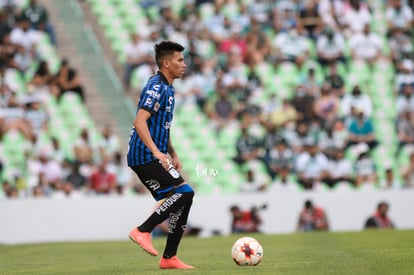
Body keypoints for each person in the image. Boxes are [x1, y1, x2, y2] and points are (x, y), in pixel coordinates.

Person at [127, 41, 195, 270]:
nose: (184, 64)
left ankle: (169, 258)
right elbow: (139, 122)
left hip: (154, 154)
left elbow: (162, 126)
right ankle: (142, 230)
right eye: (179, 60)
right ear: (166, 63)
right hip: (143, 155)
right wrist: (157, 152)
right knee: (184, 191)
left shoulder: (169, 88)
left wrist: (172, 152)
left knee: (185, 198)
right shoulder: (156, 87)